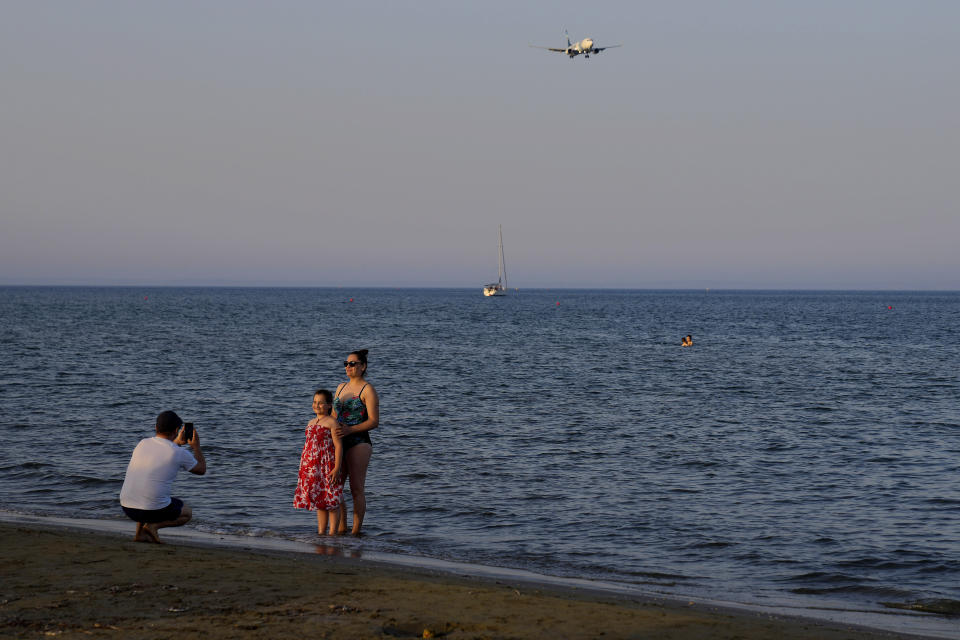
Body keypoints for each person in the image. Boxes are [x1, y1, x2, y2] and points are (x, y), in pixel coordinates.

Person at [119, 410, 206, 543]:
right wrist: (196, 447)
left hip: (127, 507)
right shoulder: (179, 452)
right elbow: (201, 469)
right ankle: (153, 526)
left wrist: (175, 442)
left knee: (145, 489)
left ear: (156, 427)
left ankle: (139, 534)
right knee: (187, 512)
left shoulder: (142, 443)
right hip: (151, 510)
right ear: (177, 429)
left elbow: (164, 449)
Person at [332, 349, 379, 535]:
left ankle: (356, 532)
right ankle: (342, 527)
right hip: (339, 441)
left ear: (363, 366)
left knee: (356, 488)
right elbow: (334, 415)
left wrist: (350, 429)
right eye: (346, 363)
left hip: (359, 441)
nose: (348, 367)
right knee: (335, 486)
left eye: (352, 364)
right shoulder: (341, 387)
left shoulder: (368, 389)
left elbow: (374, 421)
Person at [293, 389, 344, 535]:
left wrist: (337, 467)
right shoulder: (311, 422)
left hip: (327, 465)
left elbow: (339, 445)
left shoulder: (332, 422)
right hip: (312, 467)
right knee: (320, 501)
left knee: (331, 499)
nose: (317, 405)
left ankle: (332, 533)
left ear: (329, 405)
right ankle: (321, 533)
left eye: (321, 403)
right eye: (315, 402)